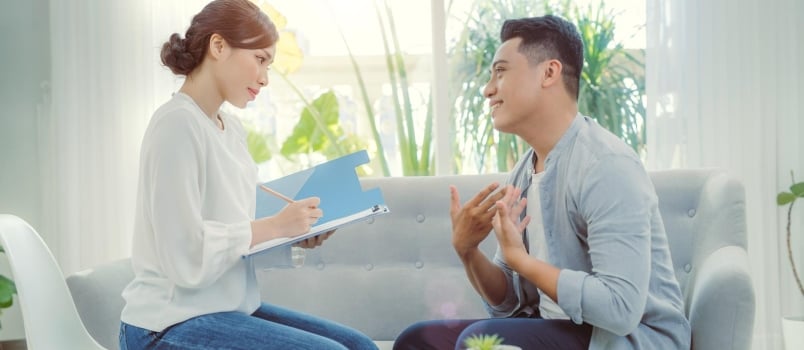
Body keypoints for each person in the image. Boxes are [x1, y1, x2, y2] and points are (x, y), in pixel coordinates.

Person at [393, 15, 691, 350]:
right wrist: (467, 251)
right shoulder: (525, 171)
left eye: (500, 71)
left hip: (623, 339)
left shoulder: (606, 166)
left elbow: (620, 309)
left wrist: (524, 262)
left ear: (549, 73)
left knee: (477, 344)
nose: (488, 88)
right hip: (556, 328)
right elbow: (508, 303)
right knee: (417, 341)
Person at [118, 1, 377, 349]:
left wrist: (293, 234)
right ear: (218, 46)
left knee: (362, 346)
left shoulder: (230, 130)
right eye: (260, 59)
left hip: (223, 309)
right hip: (165, 325)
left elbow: (236, 234)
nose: (265, 78)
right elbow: (185, 256)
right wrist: (276, 226)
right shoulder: (176, 125)